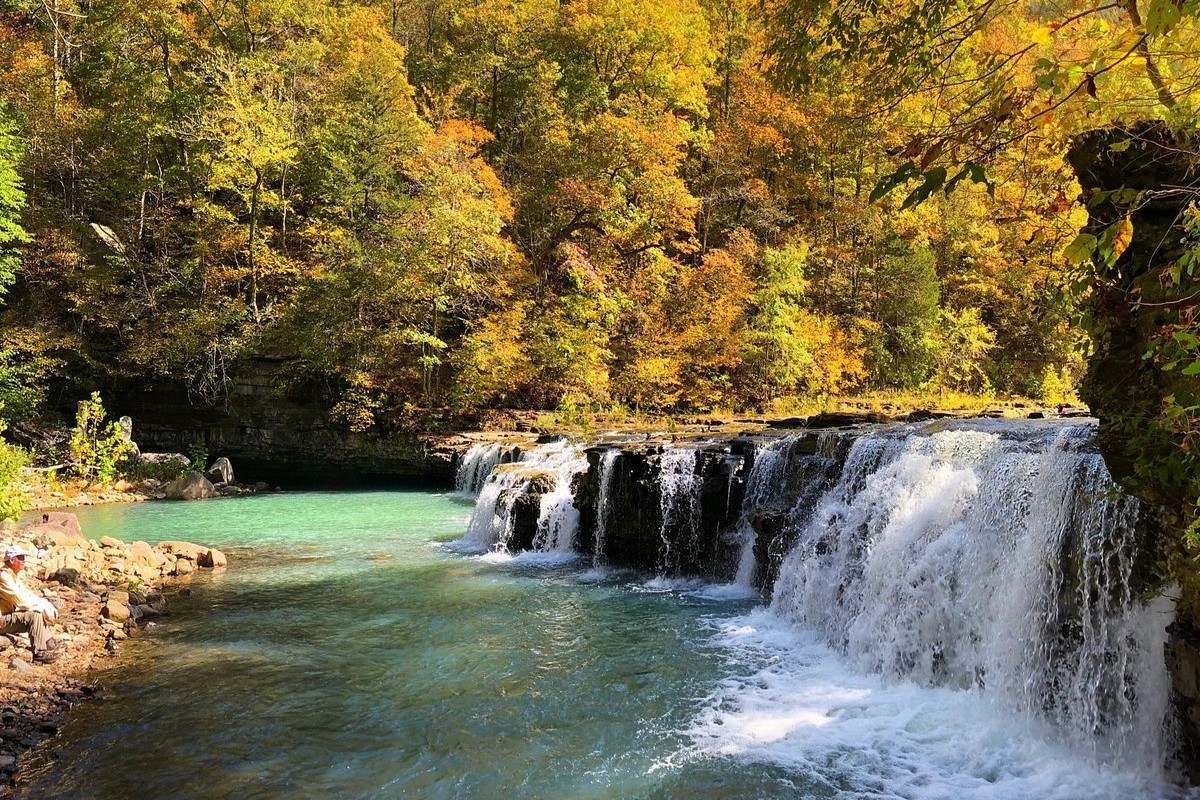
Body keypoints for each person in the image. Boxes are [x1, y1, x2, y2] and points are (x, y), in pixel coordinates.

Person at [0, 546, 61, 664]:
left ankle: (48, 642)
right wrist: (41, 608)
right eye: (21, 557)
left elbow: (27, 594)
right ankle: (39, 653)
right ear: (12, 560)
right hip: (1, 620)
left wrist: (44, 603)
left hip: (5, 616)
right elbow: (20, 600)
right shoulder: (3, 576)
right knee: (35, 615)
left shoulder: (12, 575)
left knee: (37, 610)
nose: (24, 560)